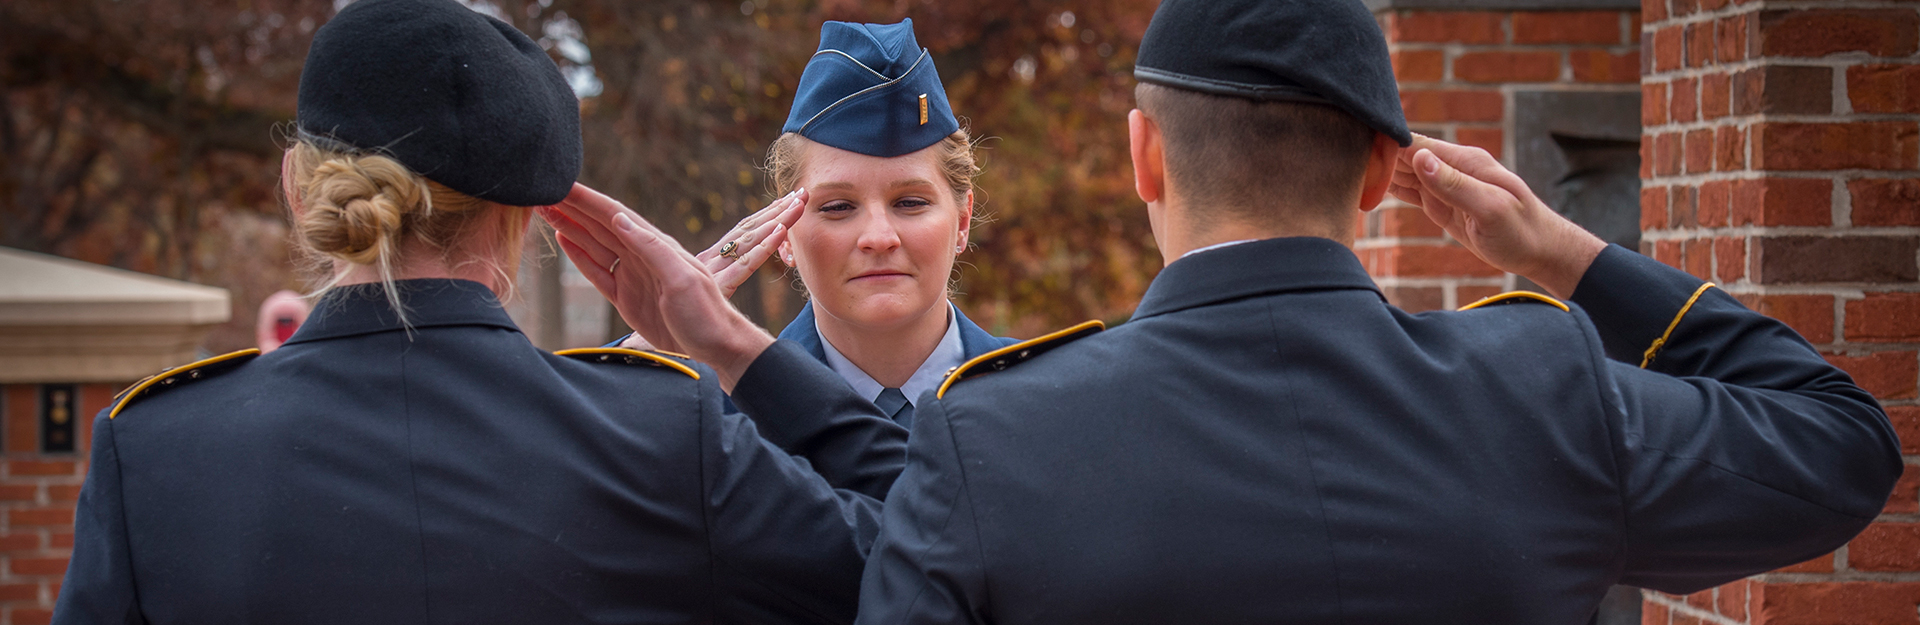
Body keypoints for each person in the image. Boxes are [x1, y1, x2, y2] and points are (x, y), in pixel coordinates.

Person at [855, 0, 1904, 623]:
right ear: (1378, 174)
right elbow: (1841, 443)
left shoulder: (990, 437)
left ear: (1144, 155)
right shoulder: (1543, 392)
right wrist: (1561, 252)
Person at [54, 1, 905, 622]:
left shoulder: (155, 447)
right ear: (528, 218)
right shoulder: (658, 431)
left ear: (296, 183)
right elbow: (929, 548)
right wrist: (723, 341)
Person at [631, 19, 1017, 430]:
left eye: (909, 202)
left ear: (962, 221)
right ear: (784, 234)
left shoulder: (1043, 403)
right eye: (837, 207)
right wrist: (643, 356)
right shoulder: (716, 417)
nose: (879, 238)